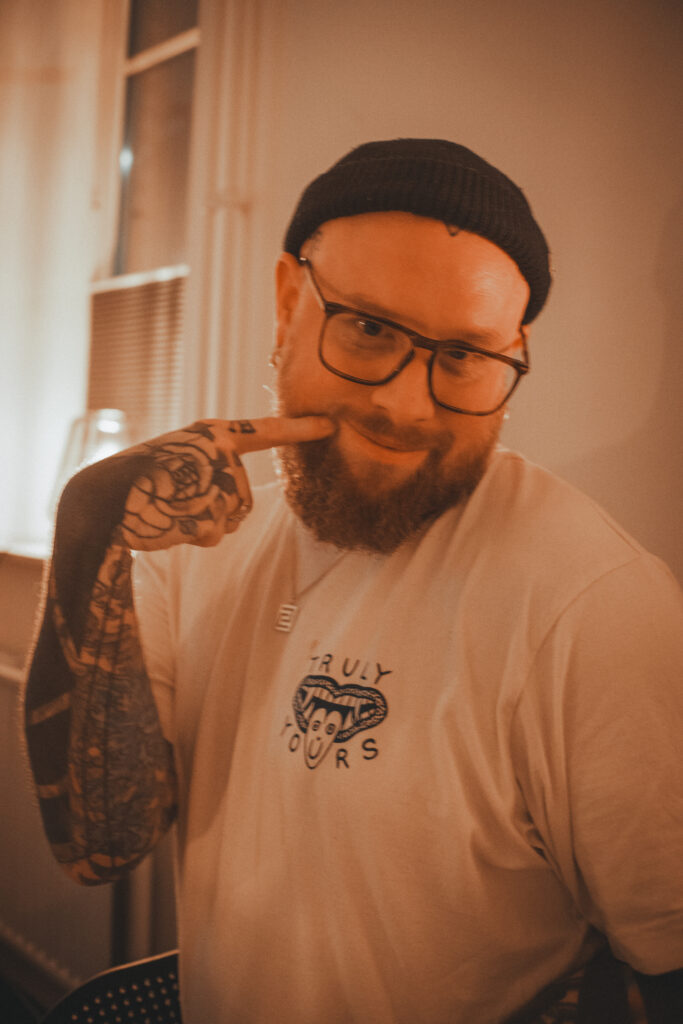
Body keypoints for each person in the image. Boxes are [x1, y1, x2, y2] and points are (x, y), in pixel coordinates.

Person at [24, 139, 683, 1023]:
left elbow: (666, 960)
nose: (406, 405)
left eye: (462, 357)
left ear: (512, 355)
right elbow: (101, 848)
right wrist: (87, 538)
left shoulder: (593, 607)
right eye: (369, 328)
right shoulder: (200, 541)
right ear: (288, 302)